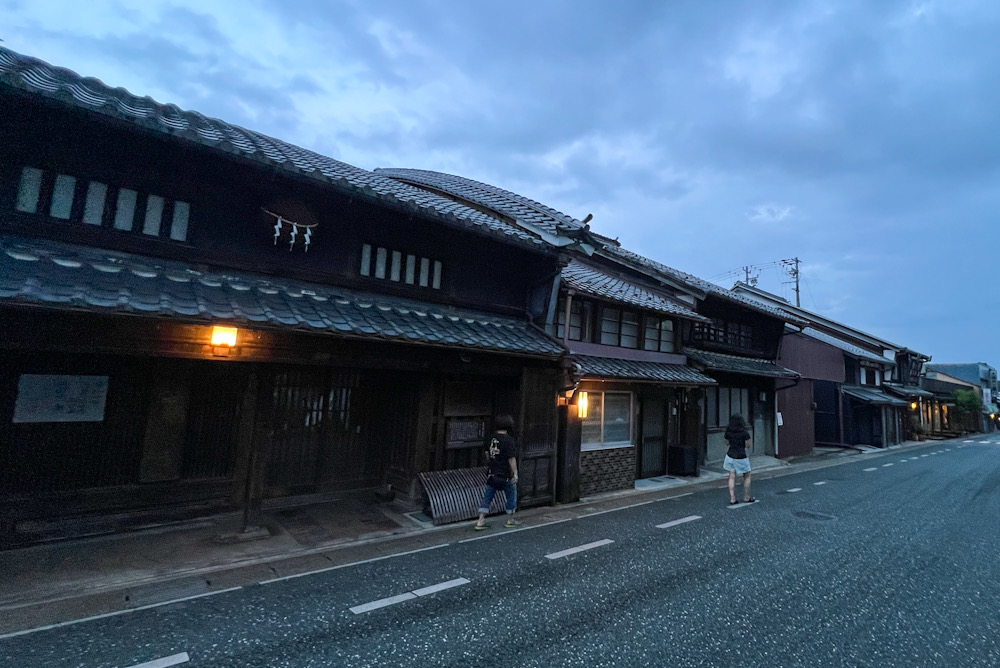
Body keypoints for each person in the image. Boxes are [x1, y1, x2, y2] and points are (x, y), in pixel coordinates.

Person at [474, 414, 521, 530]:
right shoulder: (509, 440)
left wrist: (492, 463)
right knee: (511, 495)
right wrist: (515, 473)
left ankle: (480, 520)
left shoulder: (491, 438)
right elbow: (511, 458)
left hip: (493, 472)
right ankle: (510, 519)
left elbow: (487, 454)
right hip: (505, 473)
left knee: (488, 496)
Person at [724, 414, 754, 505]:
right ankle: (746, 497)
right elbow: (747, 445)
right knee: (747, 475)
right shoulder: (745, 433)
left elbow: (726, 443)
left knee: (731, 476)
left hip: (730, 456)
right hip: (741, 456)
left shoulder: (728, 432)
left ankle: (732, 498)